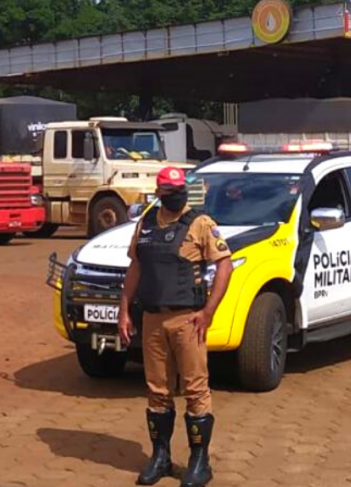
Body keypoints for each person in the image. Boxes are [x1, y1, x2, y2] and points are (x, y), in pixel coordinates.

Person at [118, 166, 233, 487]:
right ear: (159, 192)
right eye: (169, 191)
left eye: (179, 189)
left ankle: (200, 461)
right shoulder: (146, 224)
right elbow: (135, 267)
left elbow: (224, 266)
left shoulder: (200, 224)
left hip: (188, 320)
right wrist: (124, 310)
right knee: (157, 391)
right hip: (152, 318)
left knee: (196, 390)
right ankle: (160, 456)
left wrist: (209, 311)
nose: (175, 195)